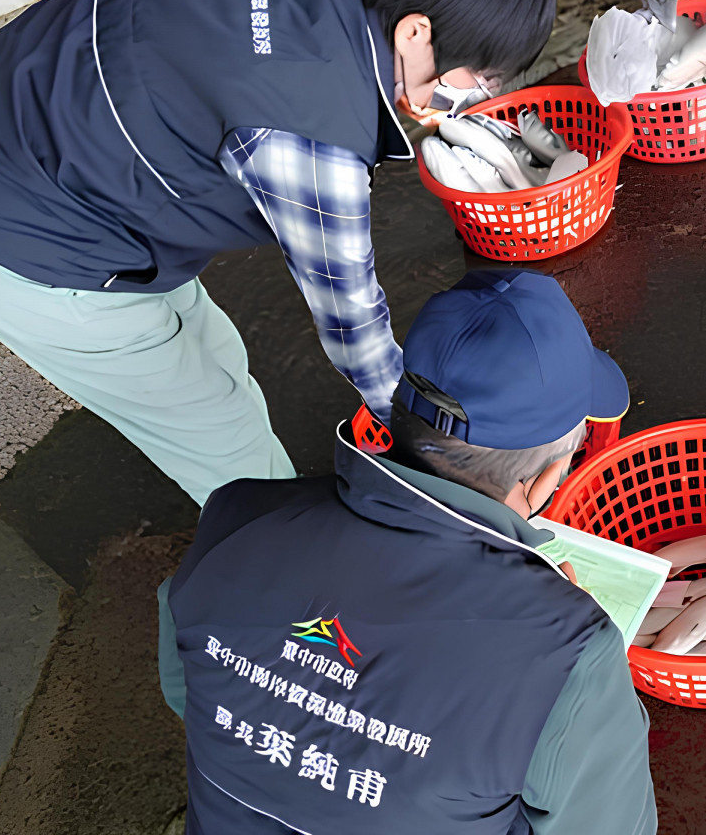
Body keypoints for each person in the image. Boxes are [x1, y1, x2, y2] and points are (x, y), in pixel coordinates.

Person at [0, 0, 558, 505]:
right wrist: (449, 461)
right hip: (17, 233)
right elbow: (356, 331)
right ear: (416, 32)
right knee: (233, 454)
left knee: (212, 349)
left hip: (9, 113)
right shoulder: (310, 132)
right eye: (483, 76)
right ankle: (277, 572)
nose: (481, 96)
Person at [157, 269, 657, 834]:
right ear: (543, 480)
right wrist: (564, 637)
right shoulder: (567, 654)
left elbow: (188, 694)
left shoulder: (236, 516)